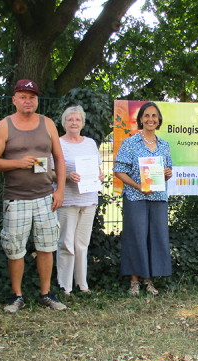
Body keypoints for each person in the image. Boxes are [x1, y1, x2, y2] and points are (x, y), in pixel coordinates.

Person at [0, 79, 68, 312]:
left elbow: (59, 159)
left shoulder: (48, 124)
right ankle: (16, 296)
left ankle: (46, 293)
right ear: (14, 100)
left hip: (45, 196)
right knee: (15, 249)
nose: (28, 101)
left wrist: (60, 190)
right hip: (16, 197)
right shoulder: (4, 126)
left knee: (47, 246)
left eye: (32, 97)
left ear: (37, 100)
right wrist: (17, 163)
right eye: (23, 97)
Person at [113, 102, 174, 295]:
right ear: (140, 119)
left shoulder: (164, 145)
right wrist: (138, 186)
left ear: (159, 119)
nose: (150, 119)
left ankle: (149, 281)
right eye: (146, 115)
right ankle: (134, 282)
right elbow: (118, 171)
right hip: (135, 197)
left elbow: (168, 170)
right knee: (136, 238)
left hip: (158, 198)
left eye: (154, 116)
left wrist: (167, 173)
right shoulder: (130, 143)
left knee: (156, 238)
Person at [52, 106, 104, 295]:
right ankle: (64, 286)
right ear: (64, 123)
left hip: (89, 199)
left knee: (82, 244)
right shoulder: (58, 143)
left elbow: (98, 168)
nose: (74, 123)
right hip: (67, 200)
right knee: (66, 243)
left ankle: (82, 284)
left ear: (82, 123)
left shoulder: (90, 143)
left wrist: (100, 176)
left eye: (77, 119)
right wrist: (66, 177)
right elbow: (50, 172)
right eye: (70, 119)